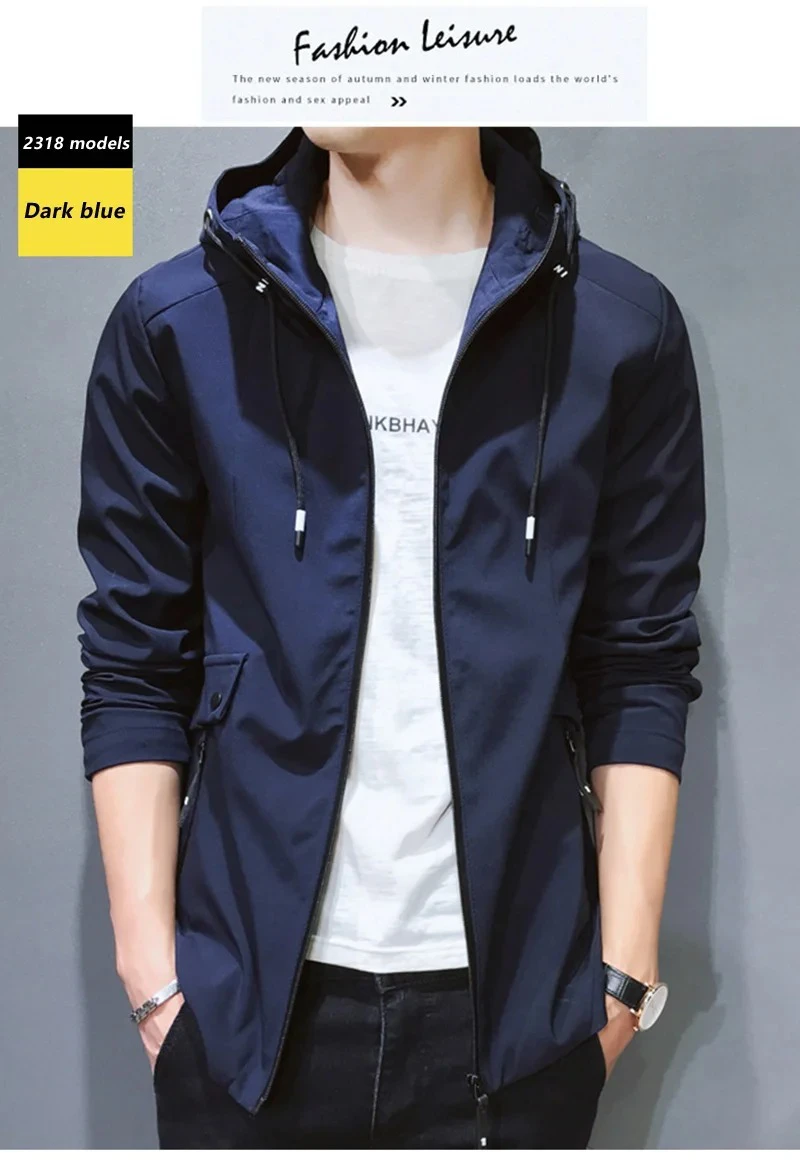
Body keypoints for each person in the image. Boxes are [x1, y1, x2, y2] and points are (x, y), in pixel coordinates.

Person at [77, 126, 705, 1149]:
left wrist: (621, 979)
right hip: (248, 1022)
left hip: (518, 1024)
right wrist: (155, 981)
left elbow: (638, 656)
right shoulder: (183, 321)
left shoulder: (614, 326)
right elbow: (134, 660)